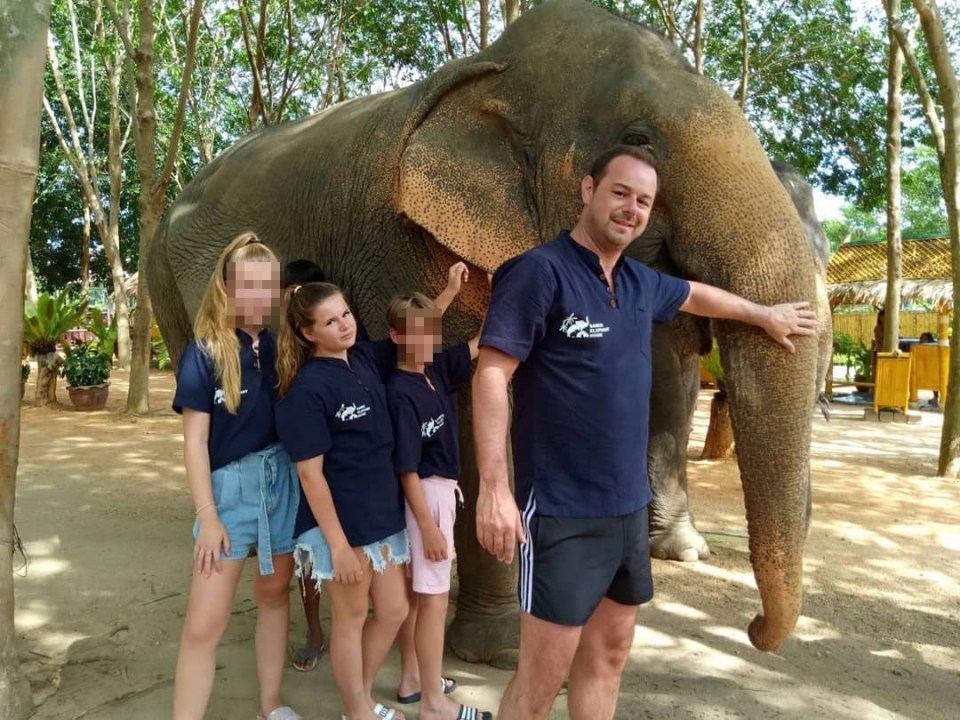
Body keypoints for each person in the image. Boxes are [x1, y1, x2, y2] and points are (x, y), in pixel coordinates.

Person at [472, 144, 817, 720]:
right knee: (541, 677)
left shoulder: (639, 282)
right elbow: (490, 374)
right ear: (588, 190)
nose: (631, 209)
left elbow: (697, 295)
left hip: (629, 507)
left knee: (609, 654)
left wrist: (763, 314)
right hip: (558, 511)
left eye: (644, 201)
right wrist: (494, 488)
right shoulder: (539, 272)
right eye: (620, 193)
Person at [274, 268, 464, 720]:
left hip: (382, 515)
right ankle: (357, 710)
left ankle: (357, 696)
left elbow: (418, 331)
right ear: (306, 333)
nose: (345, 324)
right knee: (352, 616)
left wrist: (451, 292)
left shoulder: (363, 359)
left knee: (396, 609)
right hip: (341, 525)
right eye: (330, 322)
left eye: (346, 314)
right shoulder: (306, 391)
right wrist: (338, 547)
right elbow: (310, 475)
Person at [172, 233, 302, 720]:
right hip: (227, 494)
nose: (258, 295)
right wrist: (207, 515)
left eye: (268, 285)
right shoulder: (203, 354)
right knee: (205, 624)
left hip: (281, 485)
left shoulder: (280, 348)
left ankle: (270, 705)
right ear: (227, 287)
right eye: (247, 284)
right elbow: (194, 442)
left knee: (273, 596)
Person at [385, 288, 492, 720]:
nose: (426, 339)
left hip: (440, 494)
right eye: (415, 333)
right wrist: (428, 525)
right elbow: (406, 468)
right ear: (394, 336)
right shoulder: (400, 391)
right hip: (426, 498)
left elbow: (478, 343)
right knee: (433, 601)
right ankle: (434, 703)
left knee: (419, 599)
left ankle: (414, 680)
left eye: (431, 331)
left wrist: (457, 291)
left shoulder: (436, 371)